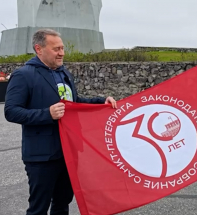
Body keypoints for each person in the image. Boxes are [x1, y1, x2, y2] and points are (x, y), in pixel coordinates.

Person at [4, 29, 117, 215]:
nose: (62, 53)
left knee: (62, 204)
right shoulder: (23, 75)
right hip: (41, 157)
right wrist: (46, 114)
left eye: (62, 48)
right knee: (38, 208)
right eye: (56, 49)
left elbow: (73, 101)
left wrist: (100, 101)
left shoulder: (64, 73)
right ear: (38, 49)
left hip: (69, 153)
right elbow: (11, 111)